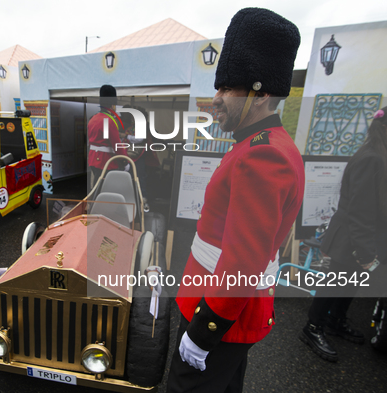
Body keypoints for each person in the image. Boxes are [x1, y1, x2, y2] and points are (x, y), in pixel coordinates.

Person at [168, 8, 303, 393]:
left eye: (228, 88)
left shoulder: (262, 155)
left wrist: (204, 331)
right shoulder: (266, 145)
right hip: (225, 305)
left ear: (259, 93)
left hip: (217, 309)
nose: (217, 99)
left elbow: (243, 259)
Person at [300, 106, 387, 362]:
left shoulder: (378, 154)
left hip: (362, 237)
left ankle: (336, 320)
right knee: (334, 283)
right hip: (351, 236)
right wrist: (365, 252)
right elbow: (360, 210)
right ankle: (313, 328)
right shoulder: (372, 157)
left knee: (351, 283)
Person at [87, 84, 127, 189]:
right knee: (106, 191)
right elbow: (116, 145)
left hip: (93, 159)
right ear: (112, 105)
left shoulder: (93, 118)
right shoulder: (109, 121)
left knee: (96, 188)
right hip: (106, 162)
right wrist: (124, 161)